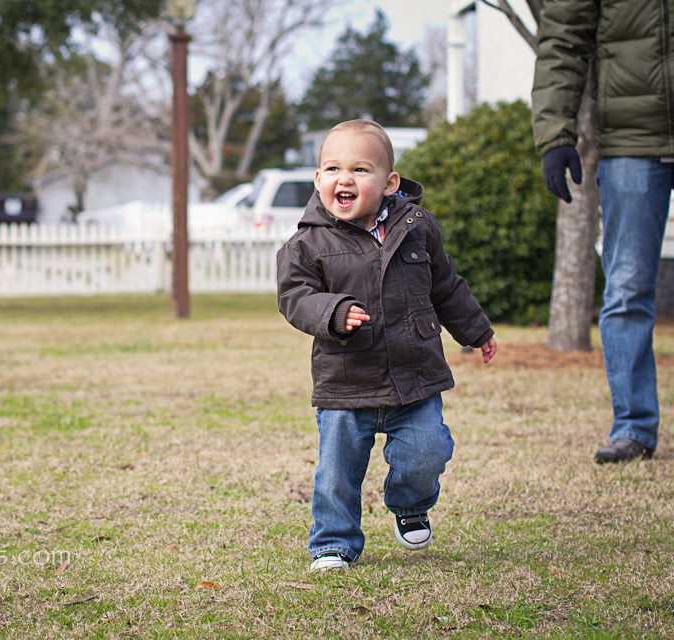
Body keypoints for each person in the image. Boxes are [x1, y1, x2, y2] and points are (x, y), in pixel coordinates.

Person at [276, 120, 497, 571]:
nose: (345, 179)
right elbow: (294, 297)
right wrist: (333, 313)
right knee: (336, 473)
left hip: (414, 375)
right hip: (346, 379)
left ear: (389, 182)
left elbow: (446, 286)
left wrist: (476, 331)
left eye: (360, 169)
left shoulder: (417, 229)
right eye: (333, 168)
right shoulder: (306, 243)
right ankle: (333, 542)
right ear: (318, 179)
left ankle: (410, 502)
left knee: (427, 451)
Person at [532, 0, 674, 463]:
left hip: (633, 141)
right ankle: (633, 427)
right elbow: (562, 39)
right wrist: (555, 133)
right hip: (633, 140)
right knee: (628, 287)